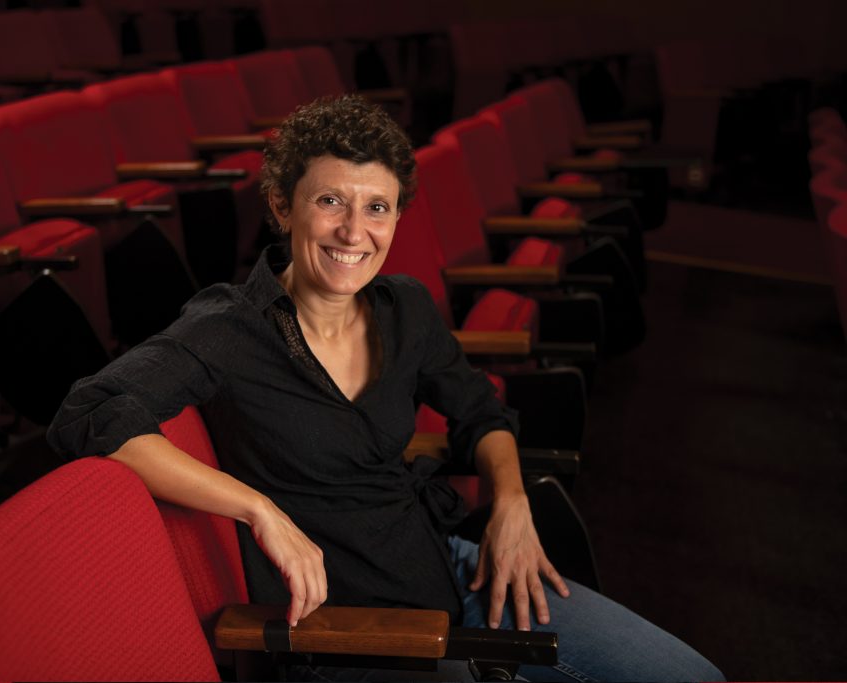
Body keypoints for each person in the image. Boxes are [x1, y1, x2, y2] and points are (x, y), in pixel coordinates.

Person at [47, 95, 723, 682]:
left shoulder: (405, 307)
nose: (354, 232)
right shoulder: (230, 326)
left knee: (695, 675)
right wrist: (258, 509)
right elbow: (89, 411)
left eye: (378, 207)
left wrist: (511, 502)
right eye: (330, 201)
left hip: (454, 570)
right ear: (283, 206)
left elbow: (480, 410)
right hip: (350, 633)